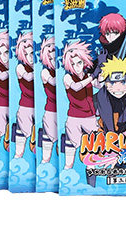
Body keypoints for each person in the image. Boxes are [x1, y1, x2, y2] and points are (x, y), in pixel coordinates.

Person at [61, 41, 98, 170]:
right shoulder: (67, 77)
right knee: (71, 153)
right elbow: (76, 87)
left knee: (94, 151)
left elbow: (100, 85)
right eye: (73, 64)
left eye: (79, 63)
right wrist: (92, 77)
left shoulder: (88, 76)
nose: (76, 67)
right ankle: (67, 173)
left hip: (90, 117)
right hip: (74, 118)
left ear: (84, 62)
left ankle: (91, 175)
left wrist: (100, 72)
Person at [13, 32, 35, 159]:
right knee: (22, 136)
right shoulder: (20, 68)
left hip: (43, 107)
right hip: (25, 107)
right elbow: (28, 77)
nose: (29, 57)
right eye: (26, 54)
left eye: (32, 53)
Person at [38, 36, 57, 165]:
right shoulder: (45, 72)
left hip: (72, 113)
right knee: (48, 141)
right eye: (50, 58)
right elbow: (54, 82)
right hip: (50, 111)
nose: (53, 60)